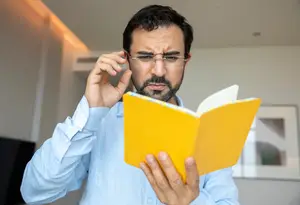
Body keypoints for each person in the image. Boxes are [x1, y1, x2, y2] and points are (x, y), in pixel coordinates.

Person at [21, 4, 240, 205]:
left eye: (171, 57)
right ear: (127, 59)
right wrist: (90, 113)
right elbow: (35, 191)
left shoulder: (208, 133)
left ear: (186, 61)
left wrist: (191, 202)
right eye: (145, 56)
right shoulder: (99, 123)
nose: (159, 71)